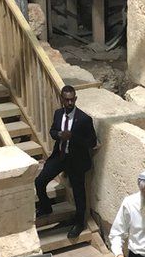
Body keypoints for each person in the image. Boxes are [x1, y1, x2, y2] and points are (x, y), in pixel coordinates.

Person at [34, 85, 98, 239]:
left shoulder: (83, 119)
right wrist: (59, 134)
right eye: (66, 100)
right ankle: (46, 207)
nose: (69, 103)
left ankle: (79, 223)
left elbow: (92, 142)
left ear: (75, 99)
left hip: (76, 160)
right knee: (40, 181)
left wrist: (73, 137)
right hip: (60, 156)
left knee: (78, 193)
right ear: (61, 99)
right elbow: (52, 131)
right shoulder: (58, 114)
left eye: (72, 100)